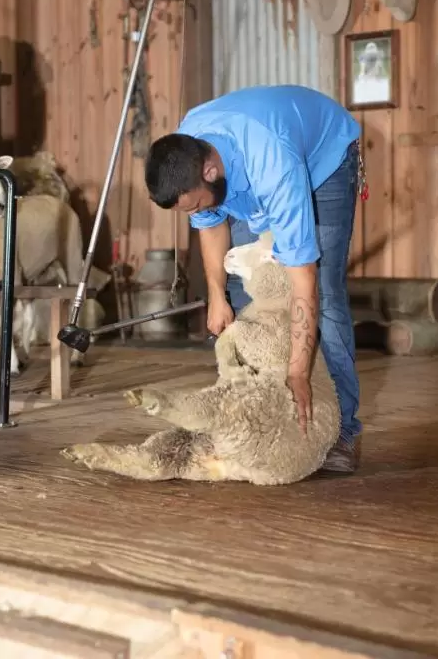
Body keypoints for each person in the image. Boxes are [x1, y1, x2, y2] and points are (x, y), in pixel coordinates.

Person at [144, 84, 364, 474]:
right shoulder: (191, 152)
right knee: (247, 296)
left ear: (209, 171)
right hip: (250, 167)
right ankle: (264, 417)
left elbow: (303, 279)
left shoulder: (273, 167)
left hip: (324, 158)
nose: (194, 213)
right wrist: (216, 296)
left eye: (193, 204)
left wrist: (297, 371)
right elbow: (211, 227)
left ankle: (343, 430)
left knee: (325, 294)